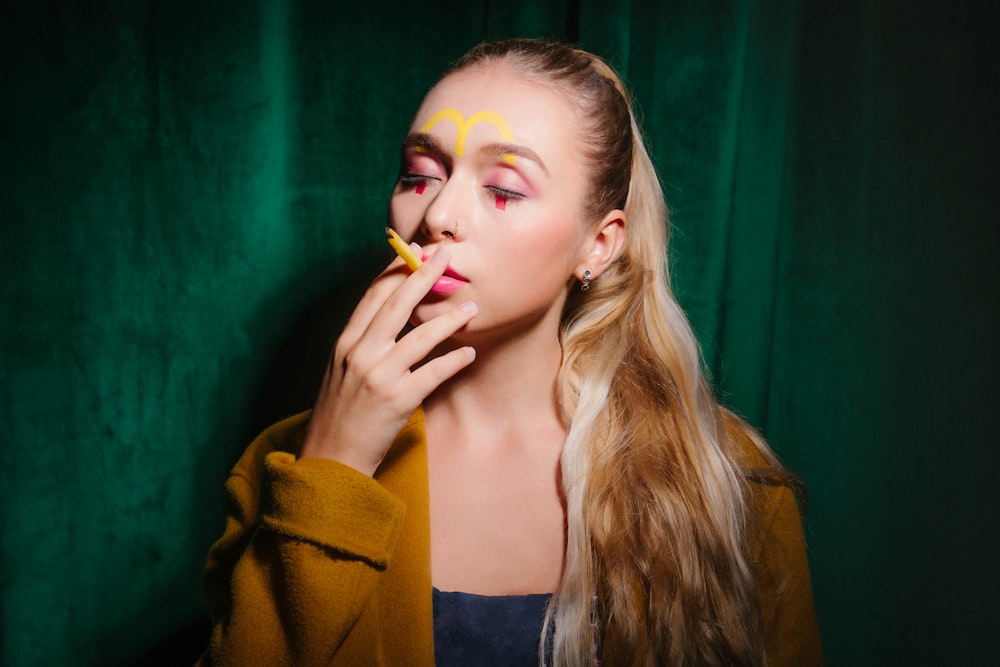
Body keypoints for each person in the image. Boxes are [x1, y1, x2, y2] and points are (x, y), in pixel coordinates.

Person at [197, 38, 822, 666]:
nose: (438, 214)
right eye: (419, 176)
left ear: (598, 247)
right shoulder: (283, 467)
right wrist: (334, 466)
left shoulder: (723, 478)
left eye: (503, 189)